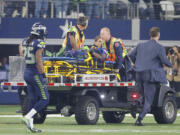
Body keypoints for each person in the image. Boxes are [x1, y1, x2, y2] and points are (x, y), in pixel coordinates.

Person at [129, 27, 172, 126]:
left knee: (140, 94)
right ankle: (139, 119)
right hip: (150, 75)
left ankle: (135, 104)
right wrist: (171, 65)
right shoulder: (159, 47)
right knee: (149, 100)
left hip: (138, 74)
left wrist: (138, 64)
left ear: (150, 34)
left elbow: (130, 56)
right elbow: (164, 61)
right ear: (158, 35)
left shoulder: (140, 45)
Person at [21, 22, 49, 133]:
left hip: (27, 72)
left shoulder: (25, 41)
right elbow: (38, 61)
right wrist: (43, 75)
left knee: (33, 99)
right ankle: (28, 116)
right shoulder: (39, 43)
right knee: (45, 98)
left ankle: (31, 126)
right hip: (34, 73)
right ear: (40, 32)